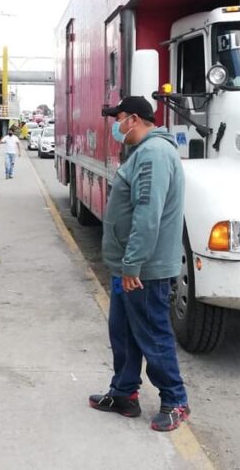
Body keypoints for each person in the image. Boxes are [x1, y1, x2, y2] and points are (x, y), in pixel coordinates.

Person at [87, 96, 191, 432]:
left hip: (144, 270)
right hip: (128, 267)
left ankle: (175, 401)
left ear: (133, 119)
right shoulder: (140, 153)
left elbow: (148, 214)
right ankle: (123, 393)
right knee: (124, 334)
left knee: (152, 335)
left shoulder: (154, 154)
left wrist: (133, 264)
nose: (115, 127)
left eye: (117, 119)